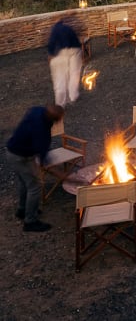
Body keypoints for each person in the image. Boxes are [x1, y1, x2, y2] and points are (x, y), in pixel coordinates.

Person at [5, 104, 65, 232]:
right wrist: (60, 174)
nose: (60, 121)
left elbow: (30, 110)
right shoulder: (41, 129)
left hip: (13, 151)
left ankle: (22, 210)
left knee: (24, 181)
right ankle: (30, 221)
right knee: (35, 187)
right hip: (21, 157)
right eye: (59, 118)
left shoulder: (39, 110)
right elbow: (43, 158)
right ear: (53, 118)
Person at [47, 17, 82, 106]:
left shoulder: (54, 29)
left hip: (60, 54)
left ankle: (60, 103)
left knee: (60, 78)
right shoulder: (68, 28)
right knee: (74, 74)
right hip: (75, 51)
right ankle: (73, 95)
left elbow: (51, 43)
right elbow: (77, 42)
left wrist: (50, 54)